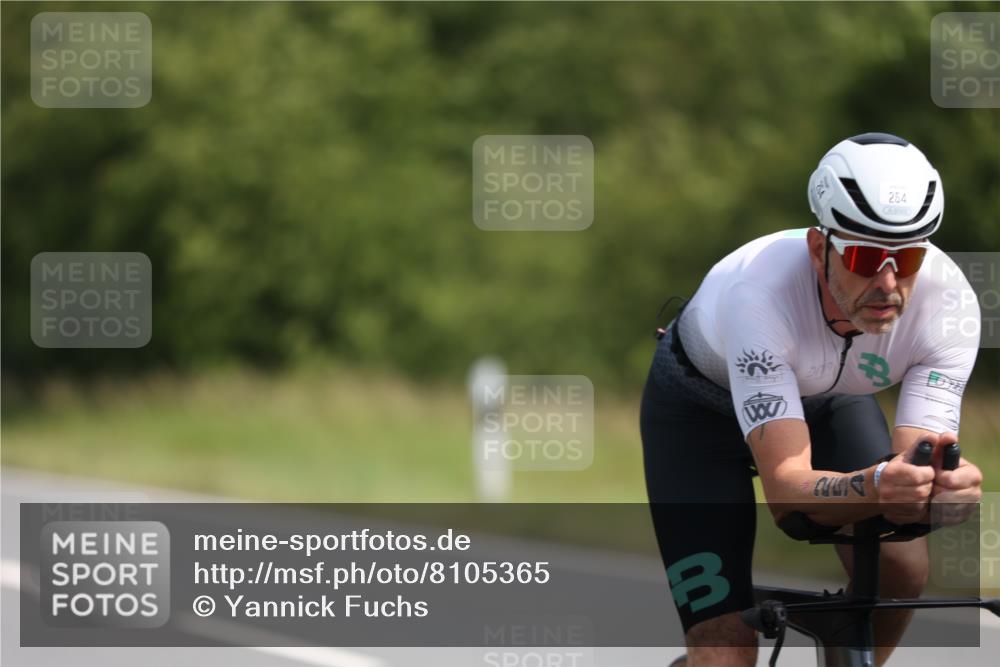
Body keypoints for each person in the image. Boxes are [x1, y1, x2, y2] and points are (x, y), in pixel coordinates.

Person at [640, 132, 984, 667]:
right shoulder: (761, 295)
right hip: (698, 416)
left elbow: (915, 462)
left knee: (903, 568)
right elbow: (789, 496)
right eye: (867, 257)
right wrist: (875, 484)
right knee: (725, 649)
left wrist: (938, 490)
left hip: (827, 401)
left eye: (910, 257)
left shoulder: (950, 305)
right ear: (820, 248)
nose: (889, 283)